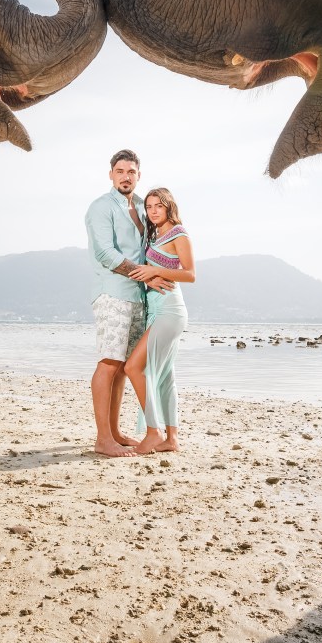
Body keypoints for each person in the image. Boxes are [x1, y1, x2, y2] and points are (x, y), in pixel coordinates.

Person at [84, 150, 173, 456]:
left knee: (122, 367)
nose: (125, 176)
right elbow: (105, 254)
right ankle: (102, 439)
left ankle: (115, 431)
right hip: (112, 292)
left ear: (139, 175)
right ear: (111, 174)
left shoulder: (141, 205)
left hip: (137, 296)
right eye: (120, 171)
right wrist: (145, 277)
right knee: (109, 362)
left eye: (131, 172)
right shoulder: (100, 207)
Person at [125, 188, 194, 454]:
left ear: (169, 207)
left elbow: (190, 274)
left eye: (159, 206)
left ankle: (153, 432)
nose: (153, 211)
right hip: (155, 310)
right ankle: (171, 439)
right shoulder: (154, 234)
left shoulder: (179, 234)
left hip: (170, 310)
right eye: (150, 206)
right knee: (165, 377)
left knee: (133, 367)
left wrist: (155, 270)